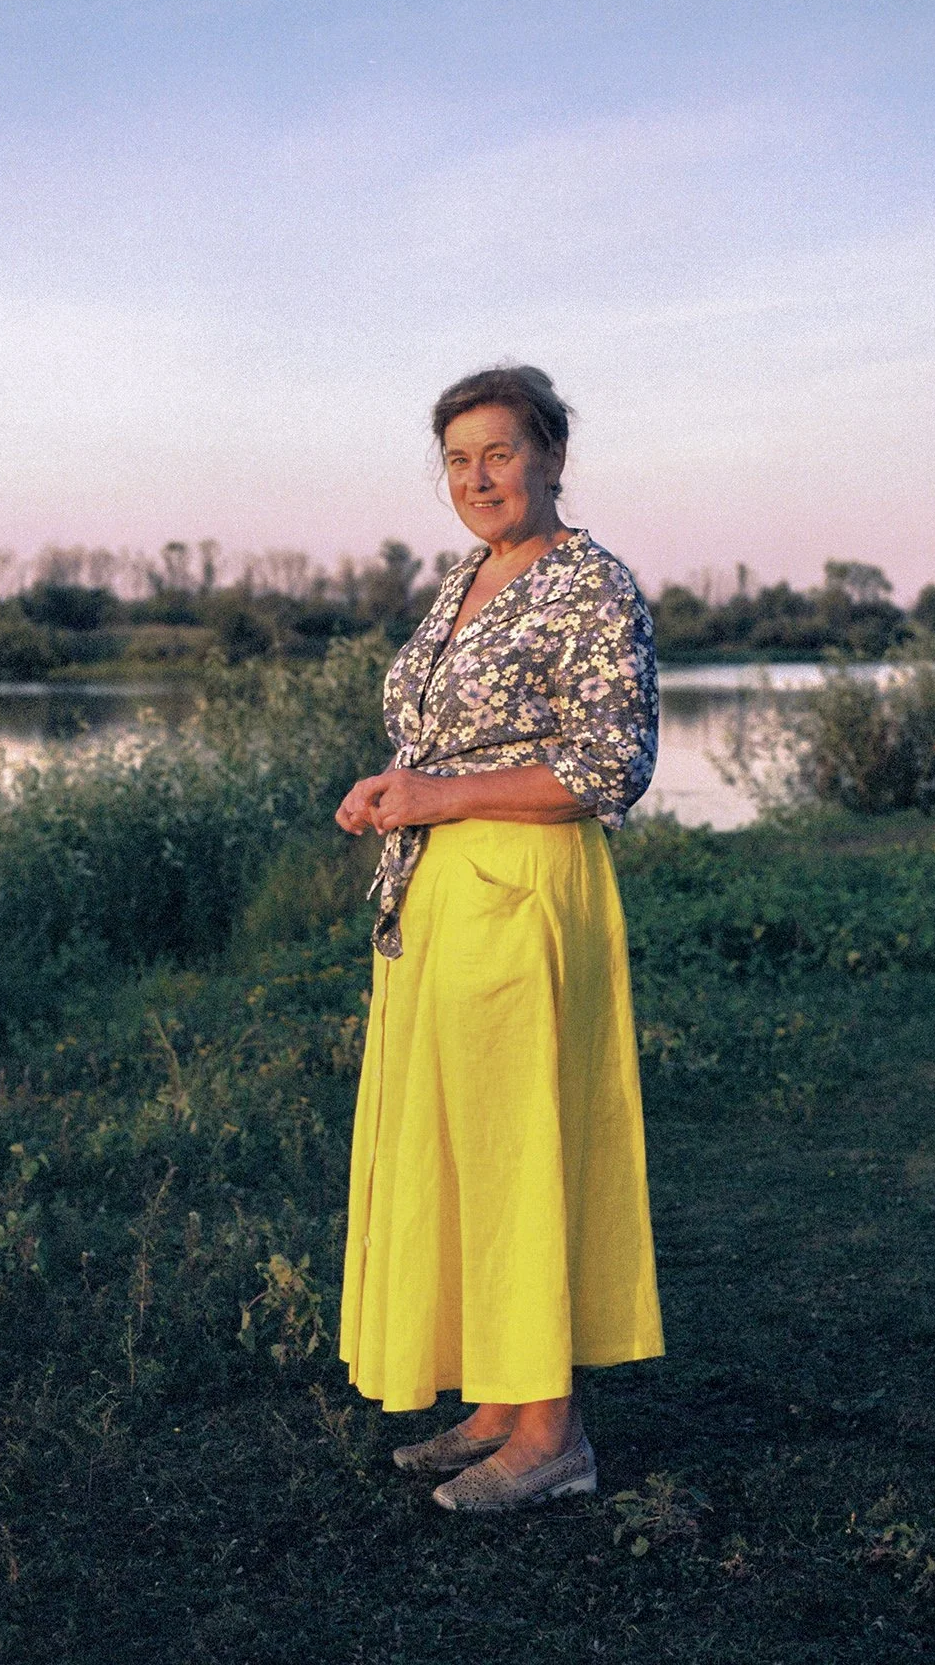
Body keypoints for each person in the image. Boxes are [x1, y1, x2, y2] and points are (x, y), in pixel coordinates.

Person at [334, 364, 664, 1514]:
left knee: (521, 1148)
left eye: (500, 453)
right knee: (463, 1146)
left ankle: (553, 1437)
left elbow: (604, 767)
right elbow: (452, 748)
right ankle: (496, 1400)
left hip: (524, 892)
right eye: (459, 460)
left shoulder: (589, 587)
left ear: (552, 455)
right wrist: (396, 788)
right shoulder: (469, 578)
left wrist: (436, 798)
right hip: (441, 898)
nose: (478, 478)